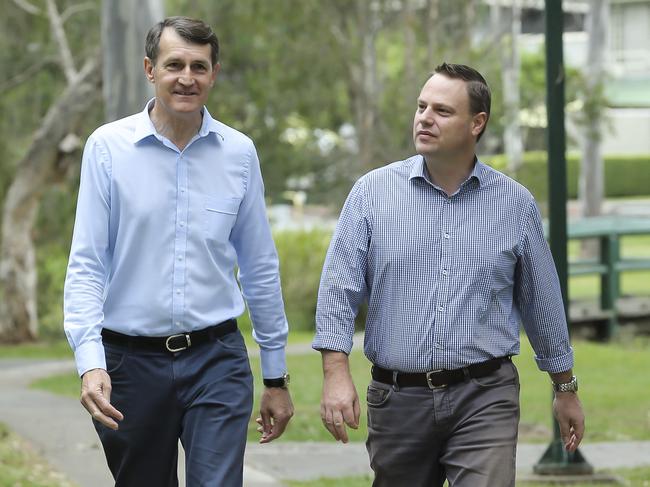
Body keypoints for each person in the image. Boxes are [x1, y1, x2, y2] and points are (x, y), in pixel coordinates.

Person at [313, 62, 585, 487]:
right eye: (421, 106)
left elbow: (541, 302)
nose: (424, 117)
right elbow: (338, 290)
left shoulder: (515, 205)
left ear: (477, 123)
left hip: (484, 396)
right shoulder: (371, 194)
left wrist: (564, 387)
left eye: (442, 110)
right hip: (397, 399)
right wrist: (335, 373)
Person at [64, 16, 293, 487]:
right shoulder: (107, 149)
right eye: (174, 65)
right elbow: (88, 264)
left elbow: (259, 266)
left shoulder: (239, 153)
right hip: (129, 364)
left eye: (199, 66)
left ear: (214, 73)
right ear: (150, 69)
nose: (187, 77)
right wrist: (91, 361)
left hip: (217, 360)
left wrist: (275, 376)